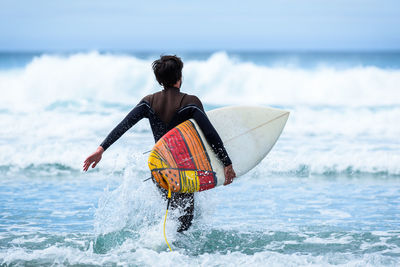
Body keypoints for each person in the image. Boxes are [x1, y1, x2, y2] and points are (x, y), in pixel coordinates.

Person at [83, 55, 236, 232]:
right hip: (182, 170)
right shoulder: (190, 103)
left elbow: (124, 125)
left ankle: (163, 245)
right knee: (184, 222)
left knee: (173, 213)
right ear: (180, 77)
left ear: (159, 80)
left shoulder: (149, 102)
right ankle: (173, 253)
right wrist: (226, 163)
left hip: (159, 170)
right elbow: (210, 134)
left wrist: (101, 149)